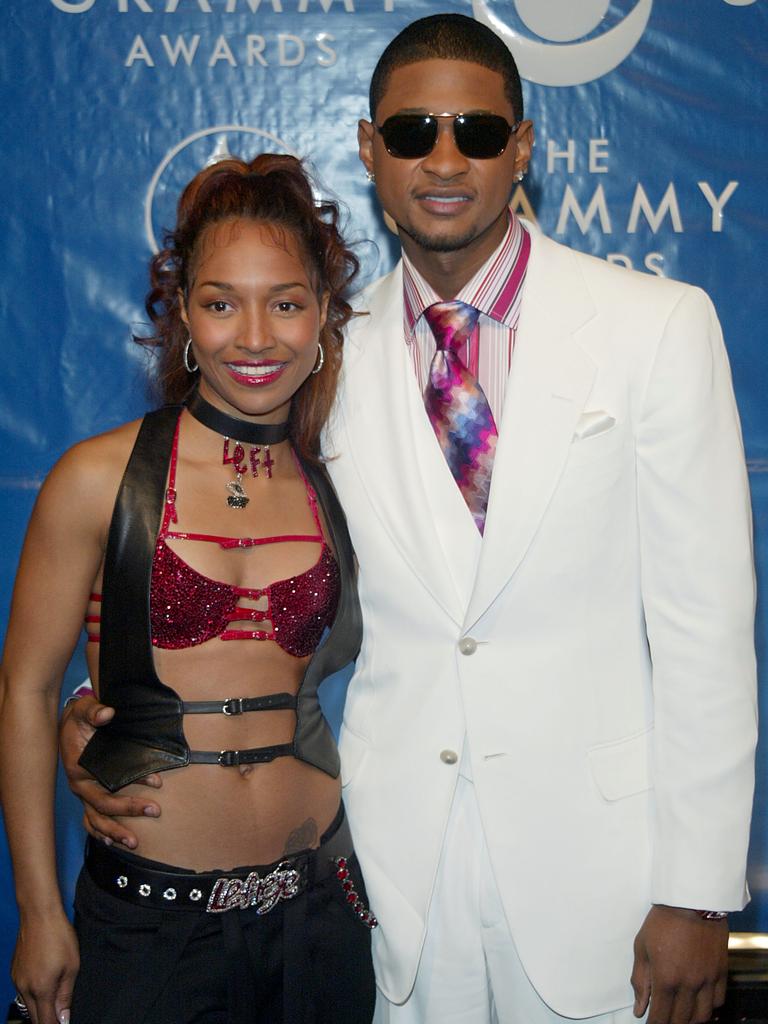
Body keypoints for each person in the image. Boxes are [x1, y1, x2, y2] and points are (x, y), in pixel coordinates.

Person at [60, 13, 757, 1024]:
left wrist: (696, 887)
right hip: (389, 887)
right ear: (369, 149)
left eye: (477, 132)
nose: (444, 158)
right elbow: (226, 540)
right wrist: (112, 711)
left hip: (602, 881)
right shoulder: (318, 354)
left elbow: (707, 631)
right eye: (411, 131)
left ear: (522, 148)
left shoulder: (658, 327)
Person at [0, 153, 377, 1024]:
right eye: (221, 304)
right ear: (182, 320)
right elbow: (24, 691)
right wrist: (39, 911)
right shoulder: (96, 477)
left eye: (285, 302)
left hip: (321, 917)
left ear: (324, 315)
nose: (254, 337)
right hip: (148, 930)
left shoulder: (346, 482)